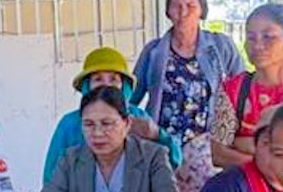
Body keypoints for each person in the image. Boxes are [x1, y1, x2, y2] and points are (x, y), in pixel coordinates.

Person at [132, 0, 246, 192]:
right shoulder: (154, 51)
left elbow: (242, 91)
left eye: (191, 6)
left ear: (202, 9)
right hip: (163, 144)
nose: (183, 12)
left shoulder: (220, 47)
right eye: (176, 6)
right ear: (168, 11)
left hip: (207, 148)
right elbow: (132, 95)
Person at [27, 86, 185, 192]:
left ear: (127, 124)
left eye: (107, 124)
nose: (97, 133)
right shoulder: (71, 160)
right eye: (88, 124)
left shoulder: (152, 156)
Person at [211, 3, 283, 170]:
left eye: (268, 37)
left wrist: (243, 143)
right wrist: (274, 161)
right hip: (246, 186)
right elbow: (218, 154)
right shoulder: (233, 90)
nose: (258, 45)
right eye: (251, 37)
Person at [41, 46, 180, 181]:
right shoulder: (70, 124)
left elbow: (172, 162)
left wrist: (157, 135)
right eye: (98, 79)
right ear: (87, 86)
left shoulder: (139, 118)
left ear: (124, 86)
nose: (106, 86)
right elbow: (51, 177)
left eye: (113, 79)